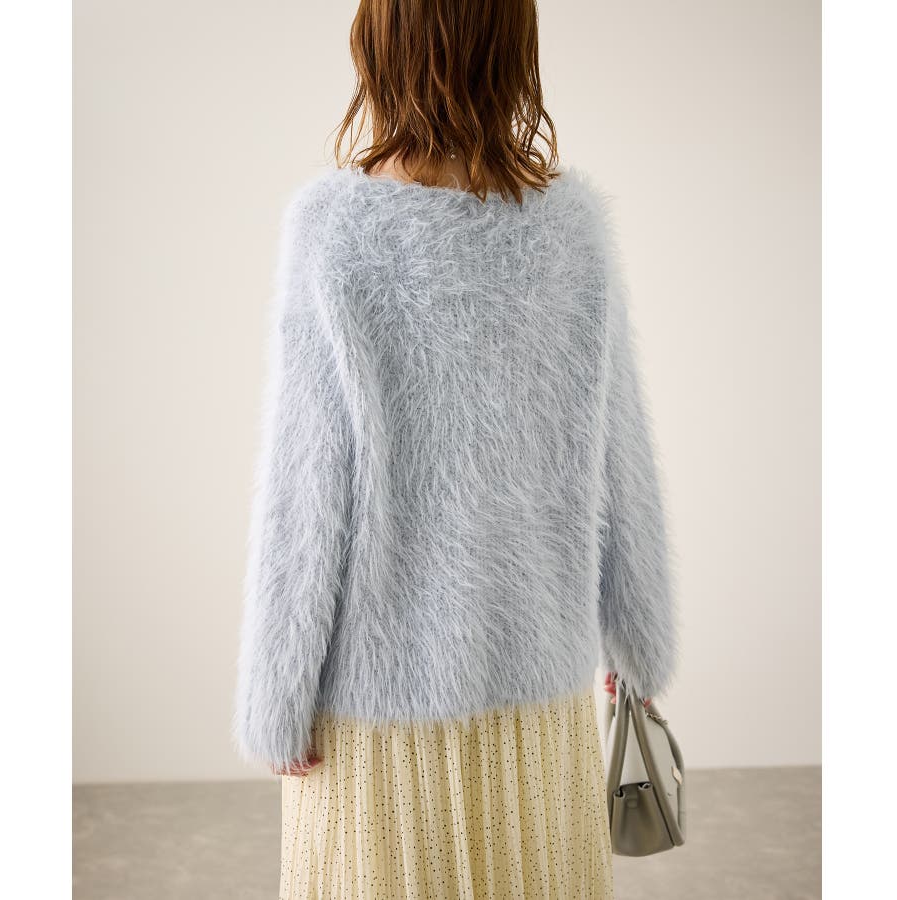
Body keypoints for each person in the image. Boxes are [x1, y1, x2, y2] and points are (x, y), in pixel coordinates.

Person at [233, 1, 679, 897]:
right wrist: (638, 640)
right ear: (513, 49)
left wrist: (277, 699)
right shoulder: (572, 228)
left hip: (377, 702)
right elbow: (619, 450)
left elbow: (306, 489)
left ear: (382, 45)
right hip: (538, 681)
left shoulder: (335, 228)